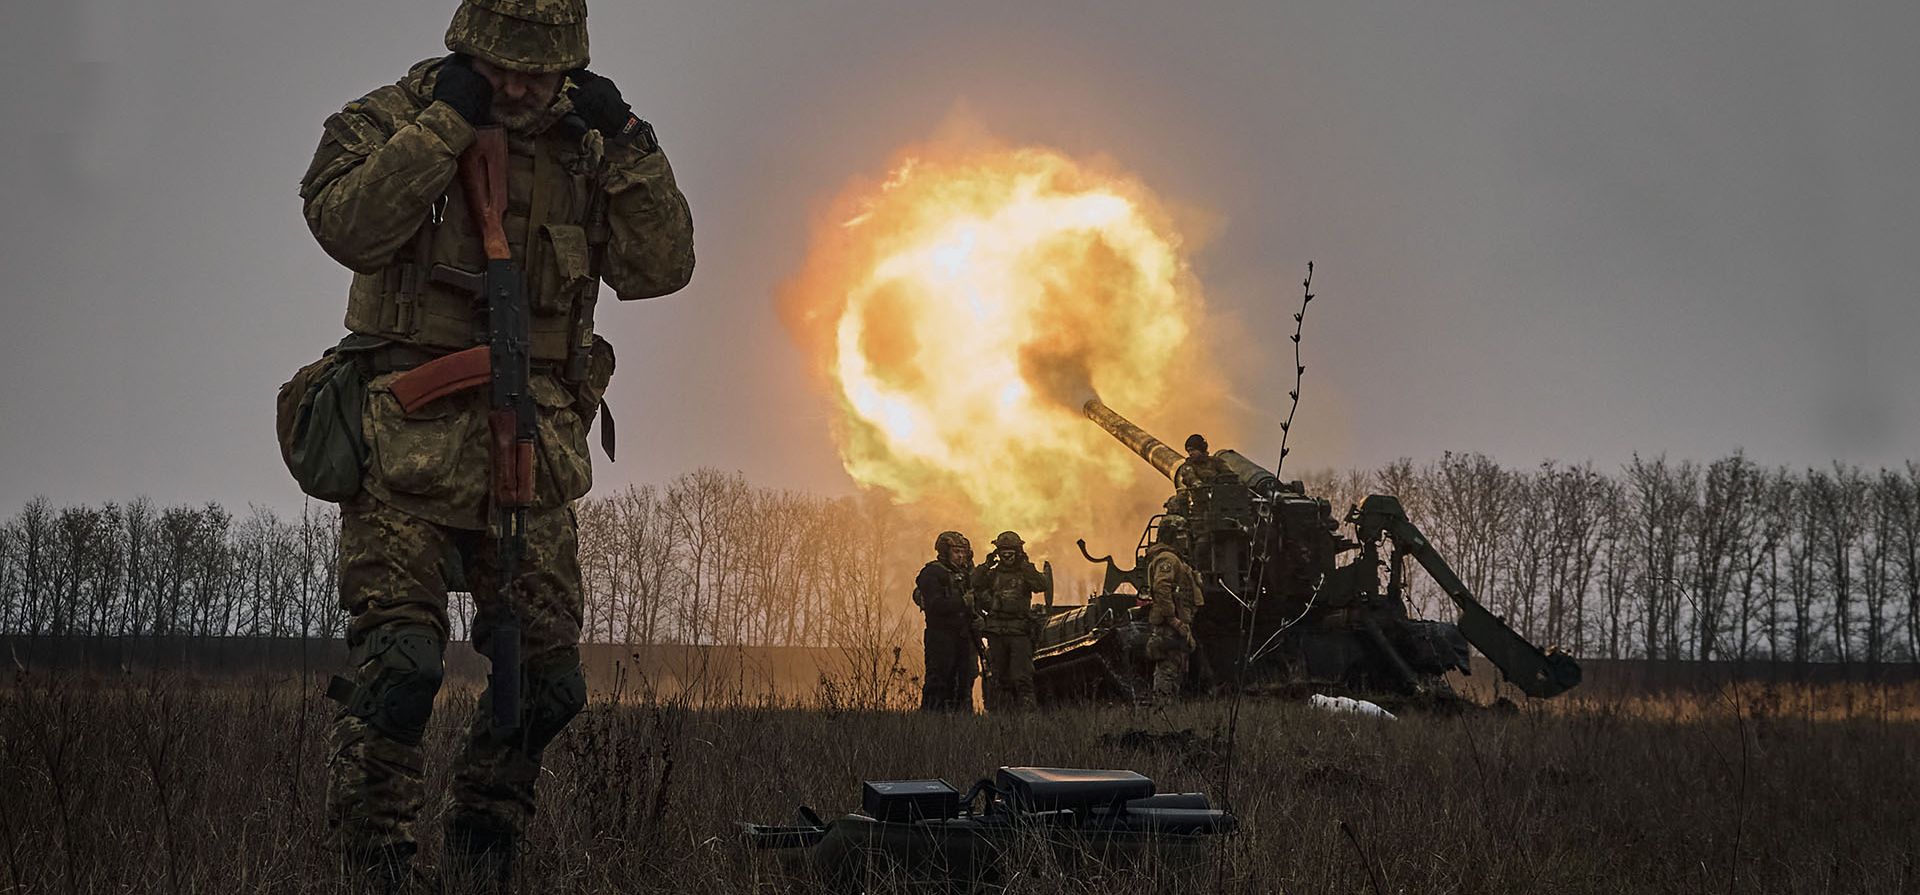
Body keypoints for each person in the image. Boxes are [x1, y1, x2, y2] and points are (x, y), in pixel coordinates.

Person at [298, 0, 694, 889]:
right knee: (400, 672)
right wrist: (445, 124)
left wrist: (633, 143)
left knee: (547, 685)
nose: (517, 87)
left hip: (532, 450)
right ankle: (376, 863)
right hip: (406, 450)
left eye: (538, 71)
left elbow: (662, 267)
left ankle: (484, 842)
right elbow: (346, 225)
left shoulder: (591, 145)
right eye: (501, 67)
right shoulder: (397, 116)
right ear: (468, 48)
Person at [972, 531, 1050, 712]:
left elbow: (1042, 585)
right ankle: (1002, 716)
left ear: (1018, 551)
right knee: (999, 678)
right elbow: (973, 583)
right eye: (1003, 552)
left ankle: (1027, 717)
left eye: (1011, 551)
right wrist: (986, 566)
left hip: (1019, 633)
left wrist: (1026, 566)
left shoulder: (1025, 573)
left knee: (1022, 678)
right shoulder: (991, 574)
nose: (1007, 556)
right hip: (996, 632)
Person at [913, 531, 978, 712]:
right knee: (939, 682)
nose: (960, 556)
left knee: (965, 682)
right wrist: (962, 602)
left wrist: (977, 618)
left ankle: (962, 720)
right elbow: (934, 605)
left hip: (963, 635)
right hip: (941, 636)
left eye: (963, 552)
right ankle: (933, 720)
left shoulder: (964, 574)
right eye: (956, 551)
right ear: (944, 552)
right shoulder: (932, 573)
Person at [1144, 515, 1204, 704]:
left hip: (1178, 624)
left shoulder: (1176, 559)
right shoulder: (1167, 559)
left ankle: (1169, 709)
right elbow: (1161, 588)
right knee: (1168, 668)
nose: (1185, 538)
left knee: (1177, 667)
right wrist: (1174, 620)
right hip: (1170, 626)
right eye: (1180, 533)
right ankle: (1163, 708)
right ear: (1170, 535)